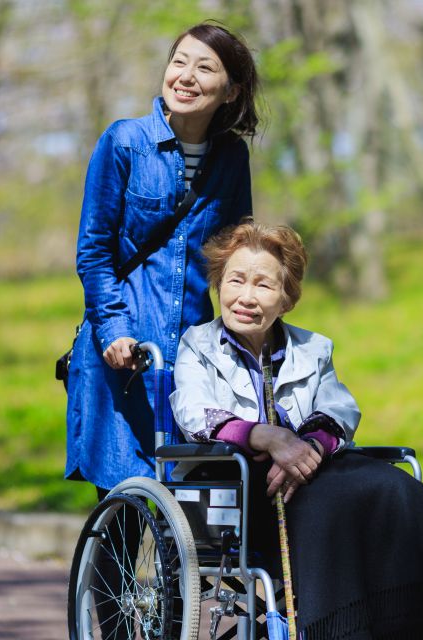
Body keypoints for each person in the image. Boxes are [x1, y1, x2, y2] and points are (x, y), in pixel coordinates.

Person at [170, 221, 423, 639]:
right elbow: (193, 412)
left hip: (313, 470)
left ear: (286, 299)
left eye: (264, 286)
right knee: (334, 509)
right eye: (235, 280)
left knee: (400, 494)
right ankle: (340, 629)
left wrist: (308, 449)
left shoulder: (313, 348)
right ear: (219, 284)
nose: (245, 297)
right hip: (242, 489)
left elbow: (338, 408)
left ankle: (398, 622)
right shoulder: (196, 345)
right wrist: (267, 437)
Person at [65, 22, 260, 497]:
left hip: (194, 358)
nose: (186, 76)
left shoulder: (231, 157)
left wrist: (252, 334)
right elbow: (94, 251)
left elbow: (233, 256)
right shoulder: (125, 141)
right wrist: (112, 331)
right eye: (179, 62)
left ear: (231, 91)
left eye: (205, 67)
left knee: (194, 520)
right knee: (125, 507)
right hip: (125, 355)